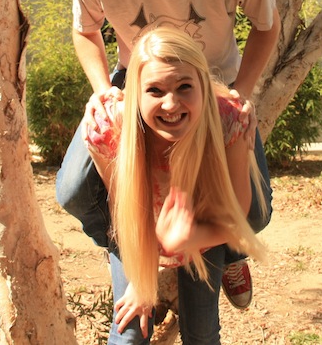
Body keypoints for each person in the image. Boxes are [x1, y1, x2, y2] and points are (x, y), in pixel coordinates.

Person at [56, 0, 280, 310]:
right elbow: (84, 30)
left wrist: (239, 91)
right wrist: (102, 91)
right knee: (73, 189)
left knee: (256, 214)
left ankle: (226, 251)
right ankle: (141, 253)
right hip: (137, 84)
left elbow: (266, 26)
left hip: (211, 84)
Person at [85, 27, 267, 344]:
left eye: (184, 87)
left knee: (202, 334)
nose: (171, 104)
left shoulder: (227, 121)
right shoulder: (110, 127)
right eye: (154, 91)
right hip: (140, 233)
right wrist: (143, 280)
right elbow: (124, 209)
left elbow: (237, 217)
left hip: (207, 227)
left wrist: (194, 236)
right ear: (135, 95)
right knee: (129, 333)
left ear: (203, 88)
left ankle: (230, 263)